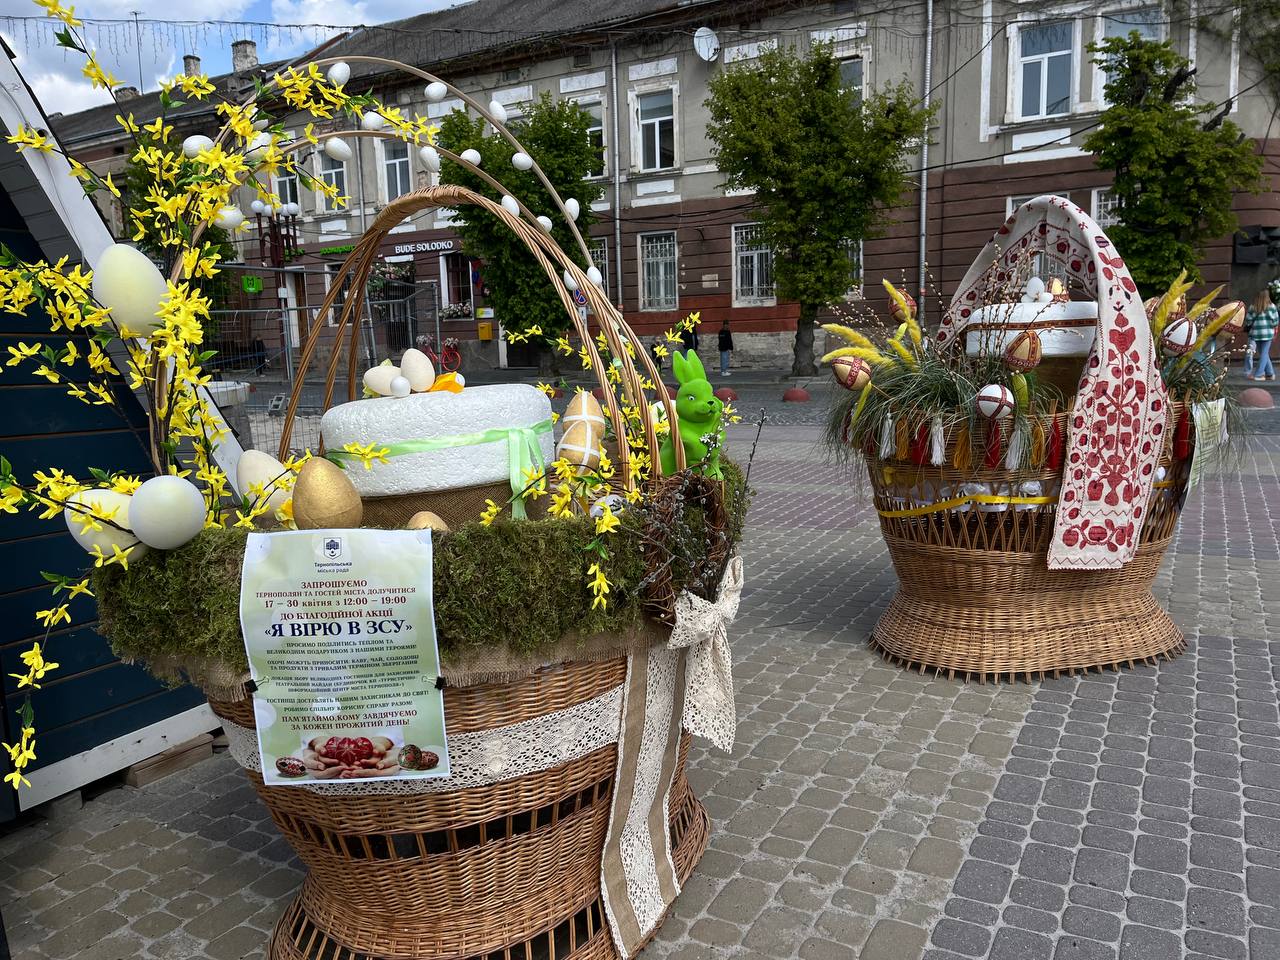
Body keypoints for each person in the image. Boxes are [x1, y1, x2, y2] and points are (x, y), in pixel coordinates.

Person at [1246, 289, 1278, 381]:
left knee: (1264, 353)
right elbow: (1275, 321)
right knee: (1264, 353)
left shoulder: (1253, 307)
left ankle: (1270, 374)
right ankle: (1259, 374)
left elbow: (1248, 321)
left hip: (1256, 334)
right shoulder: (1272, 306)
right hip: (1268, 334)